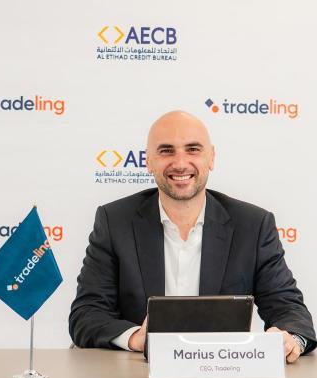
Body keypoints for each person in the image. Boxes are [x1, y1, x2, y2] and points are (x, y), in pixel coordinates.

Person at [69, 110, 315, 362]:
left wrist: (290, 339)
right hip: (138, 375)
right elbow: (87, 314)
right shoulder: (114, 222)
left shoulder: (252, 225)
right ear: (148, 161)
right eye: (166, 151)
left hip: (225, 373)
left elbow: (289, 310)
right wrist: (136, 339)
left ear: (211, 157)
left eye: (193, 149)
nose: (180, 163)